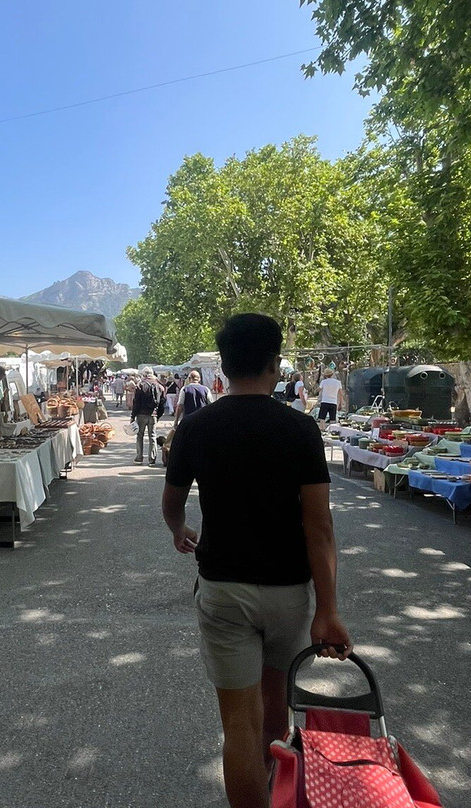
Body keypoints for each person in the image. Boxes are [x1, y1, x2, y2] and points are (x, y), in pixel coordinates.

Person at [162, 313, 351, 808]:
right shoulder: (301, 429)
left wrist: (179, 530)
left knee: (238, 726)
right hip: (289, 592)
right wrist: (328, 611)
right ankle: (273, 787)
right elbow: (319, 526)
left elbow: (172, 500)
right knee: (275, 708)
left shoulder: (196, 427)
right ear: (275, 365)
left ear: (221, 368)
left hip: (223, 588)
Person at [130, 368, 165, 466]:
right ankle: (152, 459)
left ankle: (139, 458)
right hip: (153, 415)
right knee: (152, 436)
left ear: (144, 375)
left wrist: (133, 416)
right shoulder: (160, 387)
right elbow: (162, 403)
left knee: (139, 436)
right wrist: (158, 415)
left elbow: (136, 403)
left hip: (141, 414)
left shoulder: (140, 386)